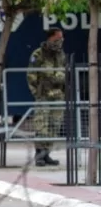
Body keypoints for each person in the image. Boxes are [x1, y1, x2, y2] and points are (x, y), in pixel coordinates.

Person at [26, 27, 65, 166]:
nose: (61, 41)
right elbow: (31, 75)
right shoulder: (39, 54)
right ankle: (39, 155)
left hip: (58, 96)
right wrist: (37, 94)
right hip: (44, 96)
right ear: (50, 38)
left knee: (55, 126)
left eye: (62, 38)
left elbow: (64, 71)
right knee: (42, 126)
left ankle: (47, 153)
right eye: (58, 38)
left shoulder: (61, 54)